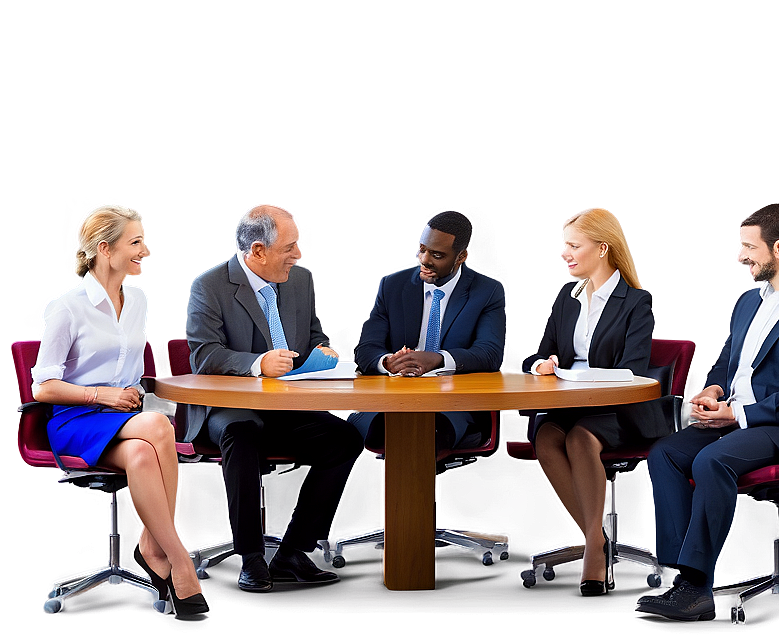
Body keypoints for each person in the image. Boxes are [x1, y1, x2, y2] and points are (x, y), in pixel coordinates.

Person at [637, 203, 779, 621]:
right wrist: (716, 390)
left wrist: (738, 416)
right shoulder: (747, 302)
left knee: (711, 459)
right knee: (665, 453)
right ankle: (678, 575)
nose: (741, 256)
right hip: (734, 417)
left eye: (748, 246)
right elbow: (729, 361)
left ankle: (696, 589)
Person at [32, 204, 208, 620]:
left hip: (124, 419)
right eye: (136, 242)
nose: (145, 249)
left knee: (144, 452)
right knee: (159, 425)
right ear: (104, 249)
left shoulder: (140, 300)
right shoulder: (67, 308)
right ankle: (179, 560)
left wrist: (125, 392)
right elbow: (42, 387)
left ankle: (151, 546)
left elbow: (131, 371)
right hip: (75, 418)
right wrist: (101, 396)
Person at [185, 204, 364, 592]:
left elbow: (314, 333)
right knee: (242, 431)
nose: (297, 256)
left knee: (345, 439)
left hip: (287, 406)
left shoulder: (300, 281)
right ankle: (250, 557)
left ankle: (293, 552)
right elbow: (204, 355)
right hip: (230, 410)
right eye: (290, 247)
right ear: (258, 251)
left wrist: (324, 351)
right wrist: (257, 363)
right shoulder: (209, 286)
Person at [523, 207, 670, 596]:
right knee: (546, 437)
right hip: (569, 403)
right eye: (564, 245)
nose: (564, 254)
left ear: (603, 248)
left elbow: (632, 369)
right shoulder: (566, 297)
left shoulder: (637, 302)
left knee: (579, 439)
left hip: (616, 409)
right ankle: (598, 539)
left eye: (573, 245)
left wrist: (580, 376)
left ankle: (593, 551)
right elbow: (537, 354)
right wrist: (543, 364)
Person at [351, 210, 506, 450]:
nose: (424, 260)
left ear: (461, 256)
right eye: (421, 249)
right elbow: (366, 349)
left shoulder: (487, 291)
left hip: (453, 405)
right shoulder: (392, 285)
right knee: (371, 431)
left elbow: (490, 353)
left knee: (420, 434)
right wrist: (388, 362)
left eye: (437, 254)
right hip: (393, 401)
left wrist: (437, 359)